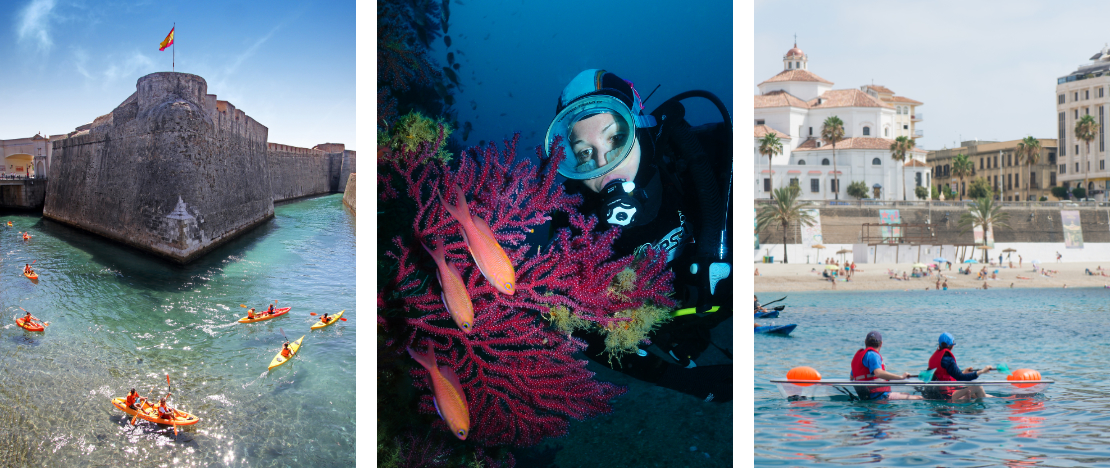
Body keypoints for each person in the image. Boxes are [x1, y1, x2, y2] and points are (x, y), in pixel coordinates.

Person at [546, 69, 732, 403]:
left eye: (616, 139)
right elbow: (580, 327)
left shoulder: (702, 158)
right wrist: (685, 382)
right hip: (672, 321)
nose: (603, 165)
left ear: (640, 126)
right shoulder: (572, 224)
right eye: (585, 153)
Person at [849, 331, 922, 400]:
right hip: (880, 396)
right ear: (881, 344)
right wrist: (901, 377)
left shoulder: (859, 357)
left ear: (865, 342)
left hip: (868, 397)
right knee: (919, 398)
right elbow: (878, 373)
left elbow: (852, 377)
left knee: (905, 393)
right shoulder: (873, 355)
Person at [923, 333, 994, 401]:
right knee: (978, 386)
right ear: (951, 345)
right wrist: (981, 371)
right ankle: (984, 411)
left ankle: (1001, 398)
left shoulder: (933, 358)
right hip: (947, 395)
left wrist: (963, 373)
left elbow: (944, 375)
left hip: (940, 393)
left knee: (976, 394)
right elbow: (960, 377)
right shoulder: (947, 359)